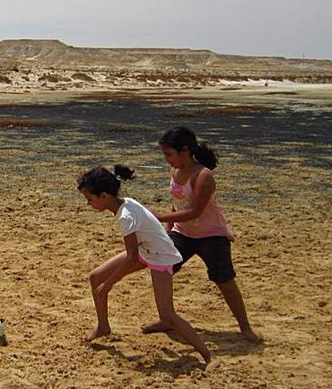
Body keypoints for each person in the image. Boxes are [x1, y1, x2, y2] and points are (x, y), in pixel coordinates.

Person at [78, 164, 215, 369]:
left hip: (160, 256)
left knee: (167, 314)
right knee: (96, 277)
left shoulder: (125, 216)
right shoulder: (125, 203)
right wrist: (105, 282)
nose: (88, 204)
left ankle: (208, 356)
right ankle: (103, 326)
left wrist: (109, 284)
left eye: (90, 199)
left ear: (104, 196)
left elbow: (131, 258)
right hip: (146, 250)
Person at [148, 127, 258, 340]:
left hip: (211, 236)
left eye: (169, 154)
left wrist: (159, 217)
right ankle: (166, 317)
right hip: (183, 233)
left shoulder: (204, 176)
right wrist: (168, 230)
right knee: (162, 270)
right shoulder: (176, 172)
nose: (166, 160)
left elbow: (194, 211)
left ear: (185, 151)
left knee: (224, 280)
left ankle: (245, 327)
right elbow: (177, 204)